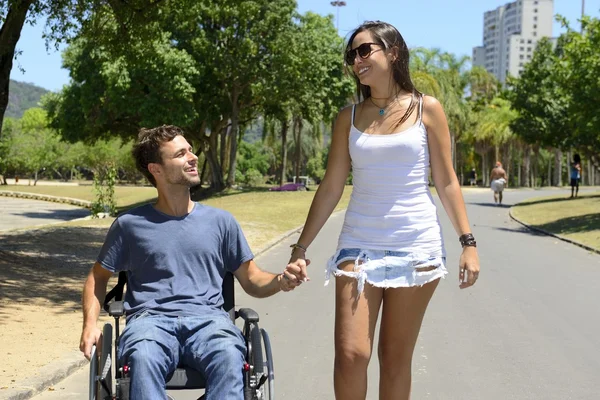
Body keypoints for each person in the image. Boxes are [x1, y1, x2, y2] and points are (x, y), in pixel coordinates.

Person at [284, 21, 480, 400]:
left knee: (394, 359)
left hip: (416, 245)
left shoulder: (428, 109)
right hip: (359, 243)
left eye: (363, 50)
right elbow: (331, 187)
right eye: (351, 55)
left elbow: (447, 181)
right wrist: (300, 247)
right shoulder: (349, 117)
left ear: (392, 52)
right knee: (351, 354)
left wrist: (467, 241)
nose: (356, 60)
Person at [79, 125, 303, 400]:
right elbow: (98, 277)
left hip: (209, 321)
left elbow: (252, 278)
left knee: (228, 355)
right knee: (144, 357)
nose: (193, 157)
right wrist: (90, 325)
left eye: (191, 150)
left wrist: (281, 280)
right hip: (150, 322)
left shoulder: (221, 223)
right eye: (180, 154)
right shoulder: (129, 226)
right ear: (156, 169)